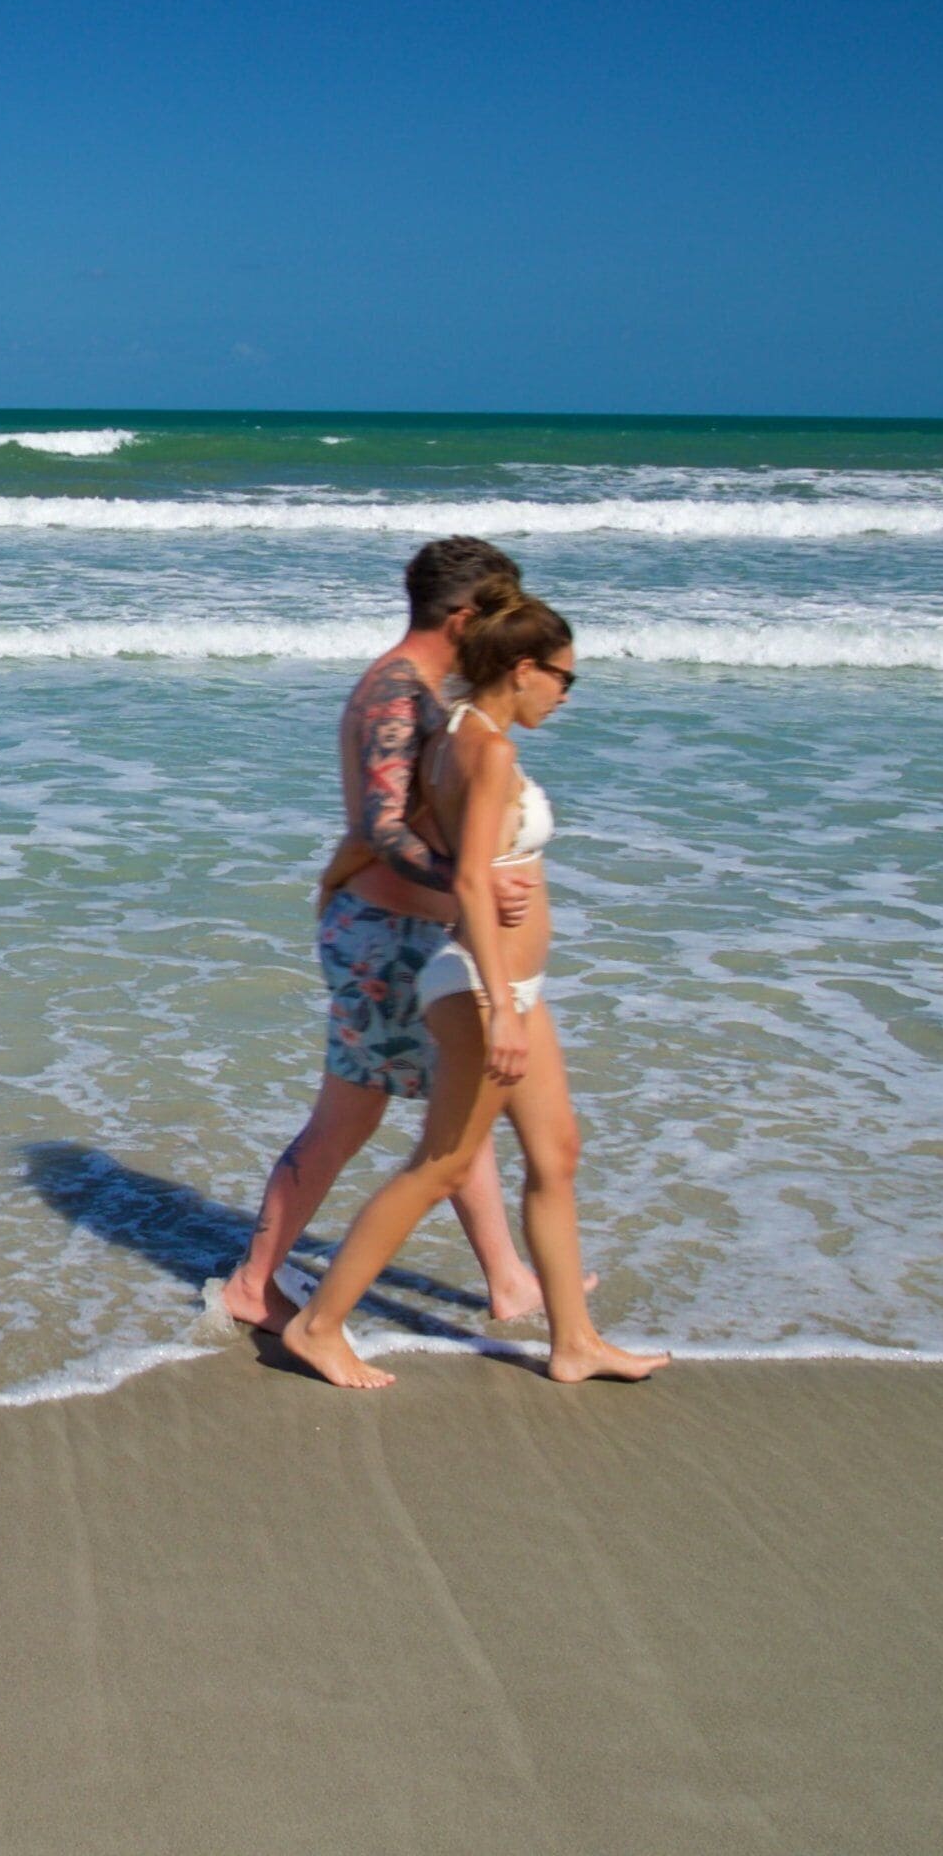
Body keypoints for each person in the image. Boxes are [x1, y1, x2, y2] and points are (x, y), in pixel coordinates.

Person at [276, 591, 668, 1389]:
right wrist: (501, 1009)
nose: (565, 694)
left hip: (518, 983)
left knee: (556, 1153)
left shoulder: (457, 728)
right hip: (486, 985)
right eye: (564, 678)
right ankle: (319, 1327)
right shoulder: (485, 750)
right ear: (524, 670)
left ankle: (576, 1341)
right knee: (443, 1164)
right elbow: (476, 886)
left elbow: (404, 826)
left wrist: (338, 876)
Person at [211, 537, 551, 1333]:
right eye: (496, 619)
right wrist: (473, 879)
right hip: (383, 937)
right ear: (463, 617)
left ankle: (508, 1280)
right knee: (348, 1121)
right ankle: (254, 1283)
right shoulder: (395, 694)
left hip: (407, 933)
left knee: (458, 1111)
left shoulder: (430, 688)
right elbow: (382, 827)